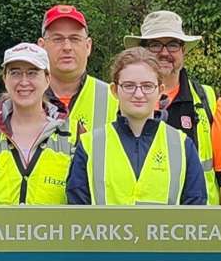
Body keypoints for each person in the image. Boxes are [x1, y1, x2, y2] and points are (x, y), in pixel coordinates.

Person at [123, 10, 221, 204]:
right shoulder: (118, 101)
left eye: (173, 44)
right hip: (136, 228)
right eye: (155, 45)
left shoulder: (210, 101)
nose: (164, 53)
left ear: (183, 50)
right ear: (142, 51)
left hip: (198, 227)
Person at [66, 48, 207, 205]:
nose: (139, 94)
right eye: (129, 86)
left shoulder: (182, 145)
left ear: (160, 90)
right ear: (114, 90)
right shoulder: (89, 145)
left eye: (147, 86)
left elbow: (195, 212)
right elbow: (77, 215)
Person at [0, 44, 75, 205]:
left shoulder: (74, 136)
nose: (24, 81)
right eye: (15, 73)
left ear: (47, 79)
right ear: (5, 79)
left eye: (32, 73)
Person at [37, 4, 117, 141]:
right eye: (58, 39)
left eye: (75, 39)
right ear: (41, 46)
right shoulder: (24, 97)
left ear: (88, 46)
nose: (67, 47)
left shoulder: (115, 98)